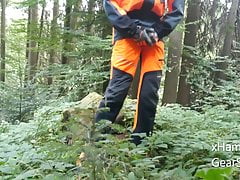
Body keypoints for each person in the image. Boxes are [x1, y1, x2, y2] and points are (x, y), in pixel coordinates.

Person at [96, 0, 184, 145]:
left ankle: (140, 144)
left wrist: (158, 30)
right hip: (126, 32)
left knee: (149, 92)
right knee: (117, 90)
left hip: (155, 36)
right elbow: (111, 3)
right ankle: (96, 142)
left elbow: (176, 9)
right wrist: (134, 30)